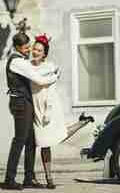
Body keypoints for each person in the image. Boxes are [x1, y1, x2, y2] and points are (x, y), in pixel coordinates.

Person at [30, 34, 94, 189]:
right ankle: (31, 176)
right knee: (36, 142)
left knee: (50, 141)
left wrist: (47, 111)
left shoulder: (49, 67)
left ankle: (49, 177)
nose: (35, 52)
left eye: (39, 50)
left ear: (45, 53)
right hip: (34, 106)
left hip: (47, 107)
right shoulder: (28, 65)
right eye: (34, 48)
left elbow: (50, 92)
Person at [4, 32, 59, 190]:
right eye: (26, 47)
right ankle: (9, 179)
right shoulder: (17, 62)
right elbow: (39, 79)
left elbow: (38, 71)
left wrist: (51, 69)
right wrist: (55, 76)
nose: (29, 49)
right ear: (17, 47)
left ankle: (29, 178)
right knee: (20, 140)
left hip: (24, 102)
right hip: (20, 103)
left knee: (31, 141)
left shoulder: (21, 60)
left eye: (29, 46)